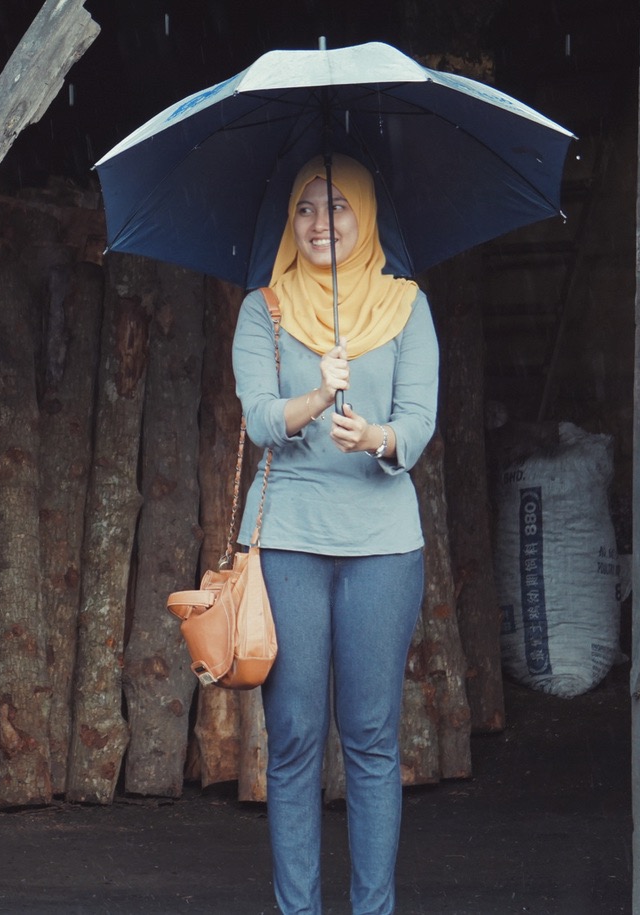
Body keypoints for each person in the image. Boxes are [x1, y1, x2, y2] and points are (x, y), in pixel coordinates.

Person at [231, 153, 440, 915]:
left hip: (383, 545)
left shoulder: (406, 304)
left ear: (367, 214)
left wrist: (377, 436)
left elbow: (419, 420)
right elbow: (259, 416)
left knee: (373, 740)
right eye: (306, 210)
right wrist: (320, 392)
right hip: (288, 538)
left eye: (338, 207)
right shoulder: (267, 309)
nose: (321, 224)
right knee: (291, 741)